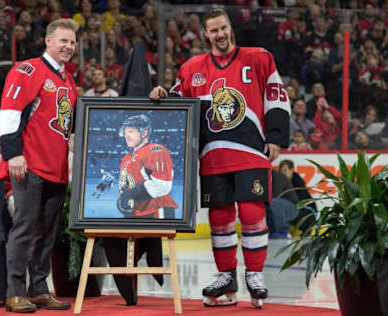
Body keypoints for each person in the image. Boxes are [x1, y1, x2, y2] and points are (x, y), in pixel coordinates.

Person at [149, 8, 290, 309]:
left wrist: (276, 136)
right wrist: (164, 94)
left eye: (223, 28)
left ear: (231, 28)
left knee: (252, 214)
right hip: (212, 155)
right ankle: (226, 277)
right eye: (214, 31)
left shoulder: (259, 57)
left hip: (251, 152)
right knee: (220, 218)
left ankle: (254, 275)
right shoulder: (191, 67)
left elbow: (276, 94)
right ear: (205, 34)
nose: (220, 35)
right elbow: (180, 100)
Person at [0, 18, 78, 313]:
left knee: (46, 232)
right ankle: (15, 291)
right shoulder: (27, 69)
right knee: (25, 228)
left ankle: (39, 289)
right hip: (28, 164)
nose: (68, 47)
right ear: (48, 41)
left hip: (56, 168)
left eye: (72, 42)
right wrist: (13, 155)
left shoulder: (68, 80)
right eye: (63, 41)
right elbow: (9, 112)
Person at [117, 114, 178, 219]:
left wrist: (132, 194)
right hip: (136, 212)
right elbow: (125, 187)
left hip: (156, 209)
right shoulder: (126, 158)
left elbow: (162, 185)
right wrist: (122, 201)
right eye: (125, 132)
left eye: (131, 131)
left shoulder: (155, 150)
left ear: (144, 133)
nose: (126, 136)